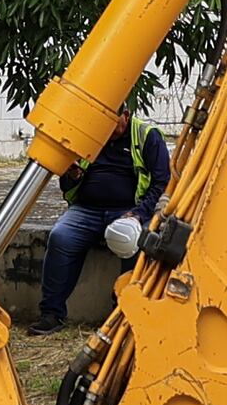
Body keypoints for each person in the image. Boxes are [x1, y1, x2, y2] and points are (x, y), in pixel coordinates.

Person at [35, 113, 173, 333]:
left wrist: (138, 214)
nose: (107, 128)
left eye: (113, 122)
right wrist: (72, 176)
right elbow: (66, 184)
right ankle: (51, 314)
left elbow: (162, 182)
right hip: (86, 210)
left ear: (125, 116)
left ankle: (121, 313)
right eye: (103, 122)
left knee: (138, 242)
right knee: (60, 236)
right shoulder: (88, 135)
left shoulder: (147, 136)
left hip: (129, 211)